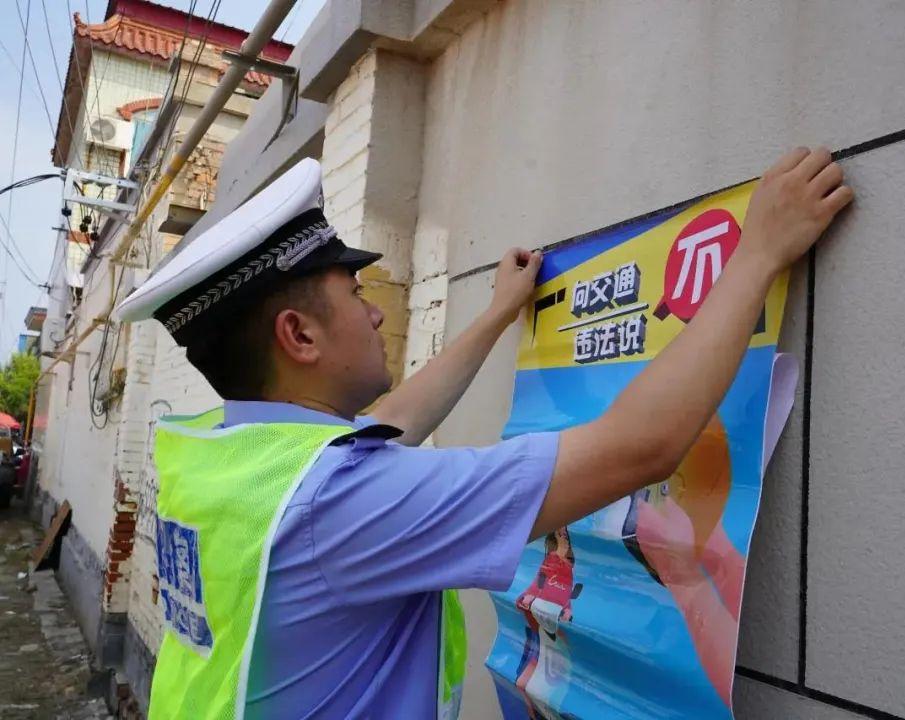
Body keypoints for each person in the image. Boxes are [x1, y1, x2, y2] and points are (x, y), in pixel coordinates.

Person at [115, 146, 852, 719]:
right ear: (299, 335)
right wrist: (759, 252)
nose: (375, 312)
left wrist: (500, 313)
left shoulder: (226, 454)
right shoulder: (339, 501)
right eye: (356, 294)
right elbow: (641, 447)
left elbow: (392, 422)